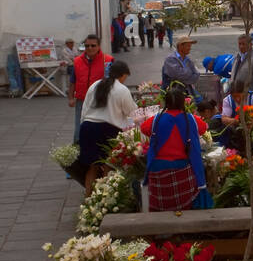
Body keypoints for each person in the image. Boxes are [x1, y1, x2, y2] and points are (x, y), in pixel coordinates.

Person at [140, 85, 208, 212]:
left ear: (166, 103)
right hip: (182, 173)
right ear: (183, 102)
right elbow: (204, 128)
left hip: (159, 175)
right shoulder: (191, 119)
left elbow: (144, 128)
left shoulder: (156, 119)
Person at [78, 60, 137, 194]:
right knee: (108, 167)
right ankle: (106, 198)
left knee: (92, 167)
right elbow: (132, 113)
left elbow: (84, 109)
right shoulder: (121, 89)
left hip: (87, 128)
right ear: (122, 75)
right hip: (107, 130)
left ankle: (89, 199)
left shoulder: (94, 85)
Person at [68, 35, 110, 141]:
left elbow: (113, 82)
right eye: (87, 46)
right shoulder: (77, 61)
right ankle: (77, 151)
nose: (90, 48)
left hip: (100, 100)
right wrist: (71, 98)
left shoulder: (107, 61)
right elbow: (73, 81)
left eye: (93, 45)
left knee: (100, 128)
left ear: (99, 46)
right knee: (79, 128)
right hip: (81, 100)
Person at [220, 80, 253, 151]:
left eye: (239, 96)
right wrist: (236, 121)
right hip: (237, 134)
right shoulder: (227, 100)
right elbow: (224, 118)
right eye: (234, 97)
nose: (237, 99)